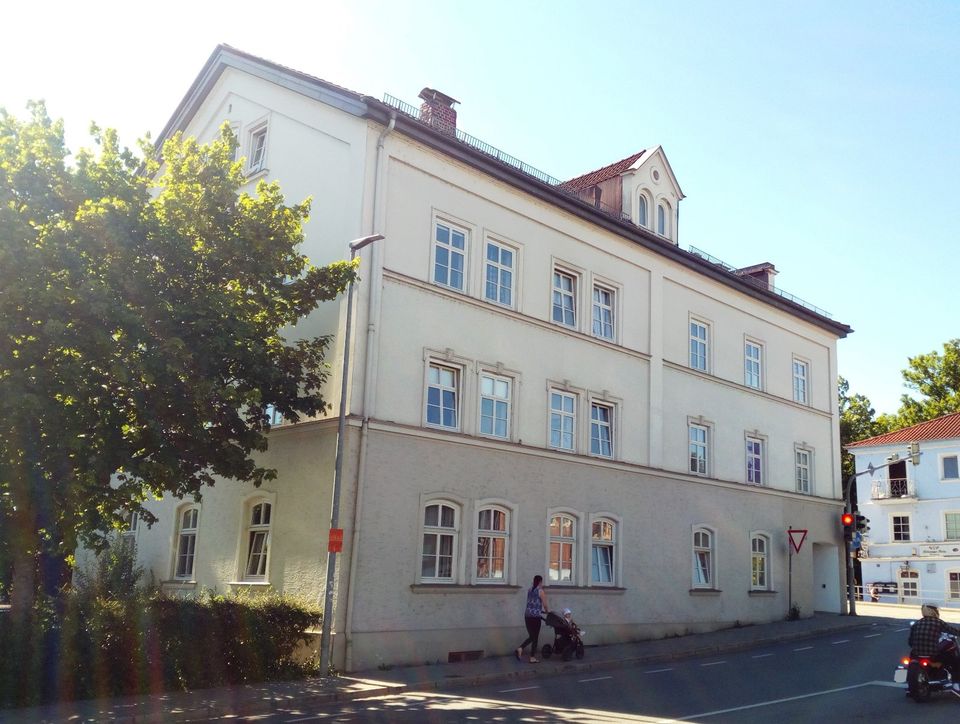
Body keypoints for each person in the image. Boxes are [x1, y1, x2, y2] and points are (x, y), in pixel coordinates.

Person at [908, 603, 960, 676]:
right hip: (933, 654)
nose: (938, 612)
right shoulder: (938, 622)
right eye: (936, 610)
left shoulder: (917, 623)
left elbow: (910, 642)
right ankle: (956, 683)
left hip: (916, 655)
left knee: (911, 658)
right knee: (954, 658)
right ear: (932, 611)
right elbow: (953, 631)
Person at [516, 574, 549, 663]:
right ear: (540, 582)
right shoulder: (540, 591)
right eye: (542, 582)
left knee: (532, 636)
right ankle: (531, 656)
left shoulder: (530, 590)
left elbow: (531, 603)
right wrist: (547, 611)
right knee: (535, 637)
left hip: (527, 616)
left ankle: (521, 649)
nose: (542, 584)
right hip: (535, 617)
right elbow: (545, 604)